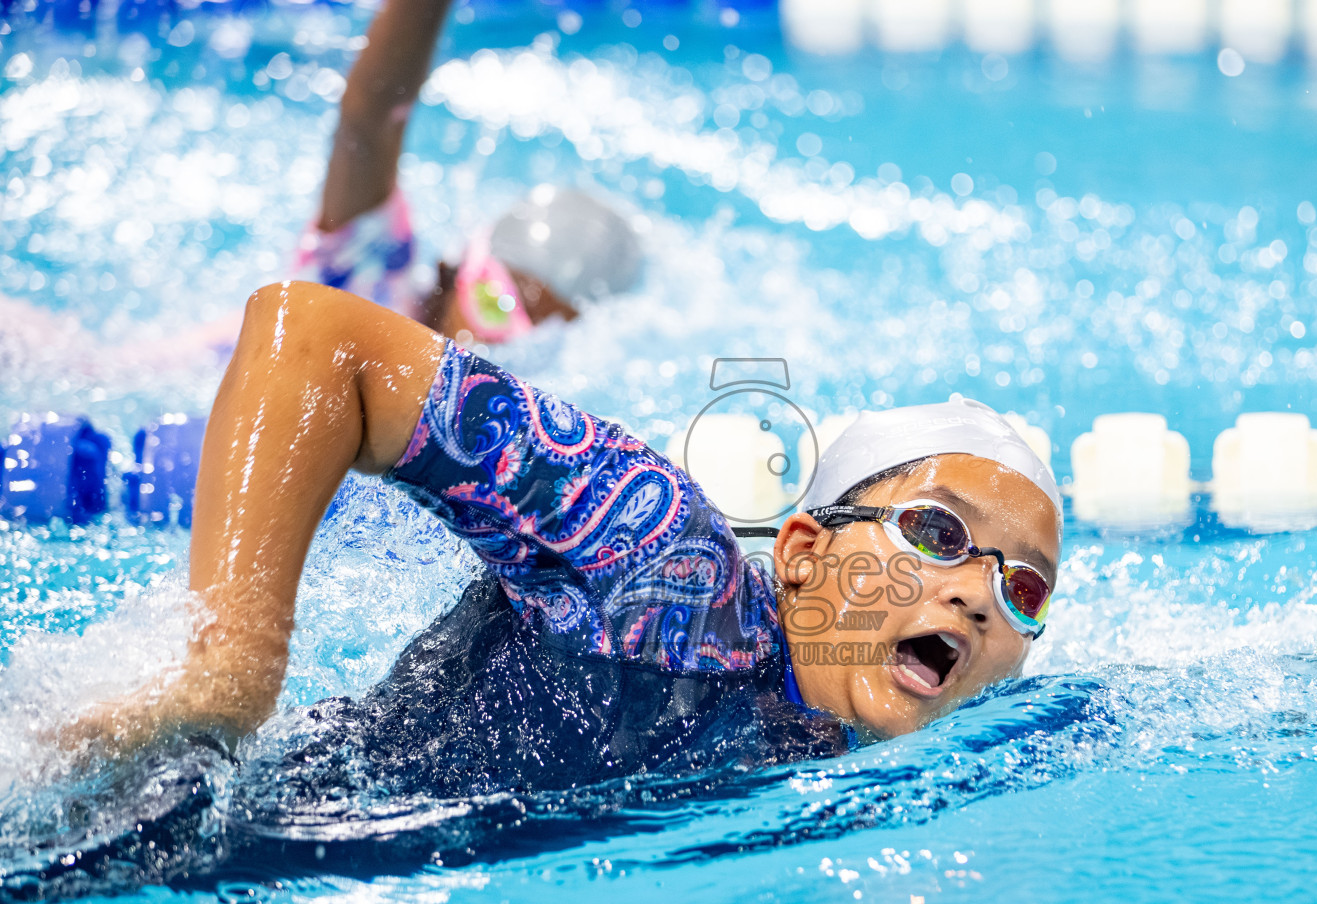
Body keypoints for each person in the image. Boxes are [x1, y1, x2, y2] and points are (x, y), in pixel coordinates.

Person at [56, 282, 1062, 795]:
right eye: (939, 532)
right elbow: (314, 338)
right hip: (178, 803)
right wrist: (231, 670)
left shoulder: (830, 750)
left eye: (1024, 588)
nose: (979, 594)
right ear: (801, 551)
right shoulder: (668, 561)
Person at [294, 0, 642, 344]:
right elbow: (371, 117)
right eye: (496, 307)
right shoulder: (366, 293)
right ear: (455, 275)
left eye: (540, 341)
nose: (498, 348)